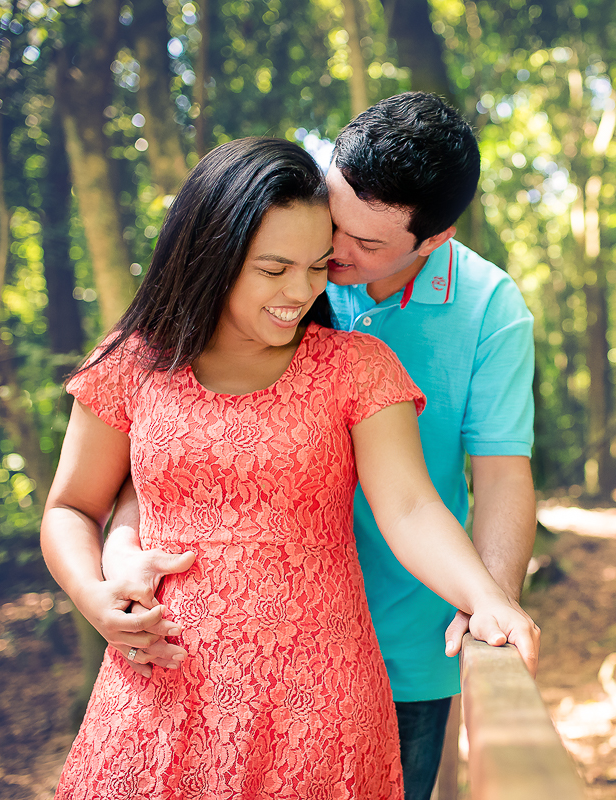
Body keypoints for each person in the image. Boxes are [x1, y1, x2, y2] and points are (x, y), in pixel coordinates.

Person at [41, 136, 539, 798]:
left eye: (315, 266)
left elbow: (412, 507)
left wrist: (487, 598)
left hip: (320, 702)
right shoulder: (134, 361)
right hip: (161, 694)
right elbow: (72, 506)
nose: (303, 291)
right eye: (274, 270)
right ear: (212, 254)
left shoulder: (356, 366)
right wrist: (91, 594)